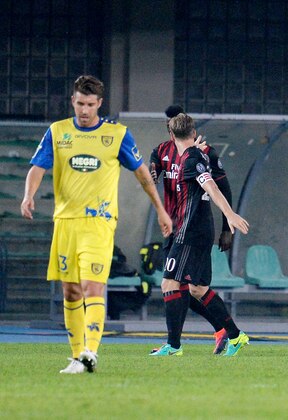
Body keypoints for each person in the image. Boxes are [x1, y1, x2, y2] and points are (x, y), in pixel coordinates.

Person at [21, 75, 173, 374]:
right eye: (80, 103)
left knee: (93, 285)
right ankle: (78, 356)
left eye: (90, 104)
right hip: (65, 222)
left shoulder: (117, 135)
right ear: (73, 101)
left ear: (100, 103)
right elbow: (38, 166)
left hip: (99, 222)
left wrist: (161, 209)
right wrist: (28, 196)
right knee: (71, 291)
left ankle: (92, 351)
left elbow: (142, 174)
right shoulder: (58, 131)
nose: (84, 110)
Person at [150, 113, 250, 357]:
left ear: (172, 133)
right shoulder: (185, 152)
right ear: (193, 133)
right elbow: (154, 172)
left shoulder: (193, 157)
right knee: (197, 289)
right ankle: (235, 335)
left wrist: (229, 215)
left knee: (170, 283)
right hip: (189, 230)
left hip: (190, 230)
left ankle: (173, 346)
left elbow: (213, 186)